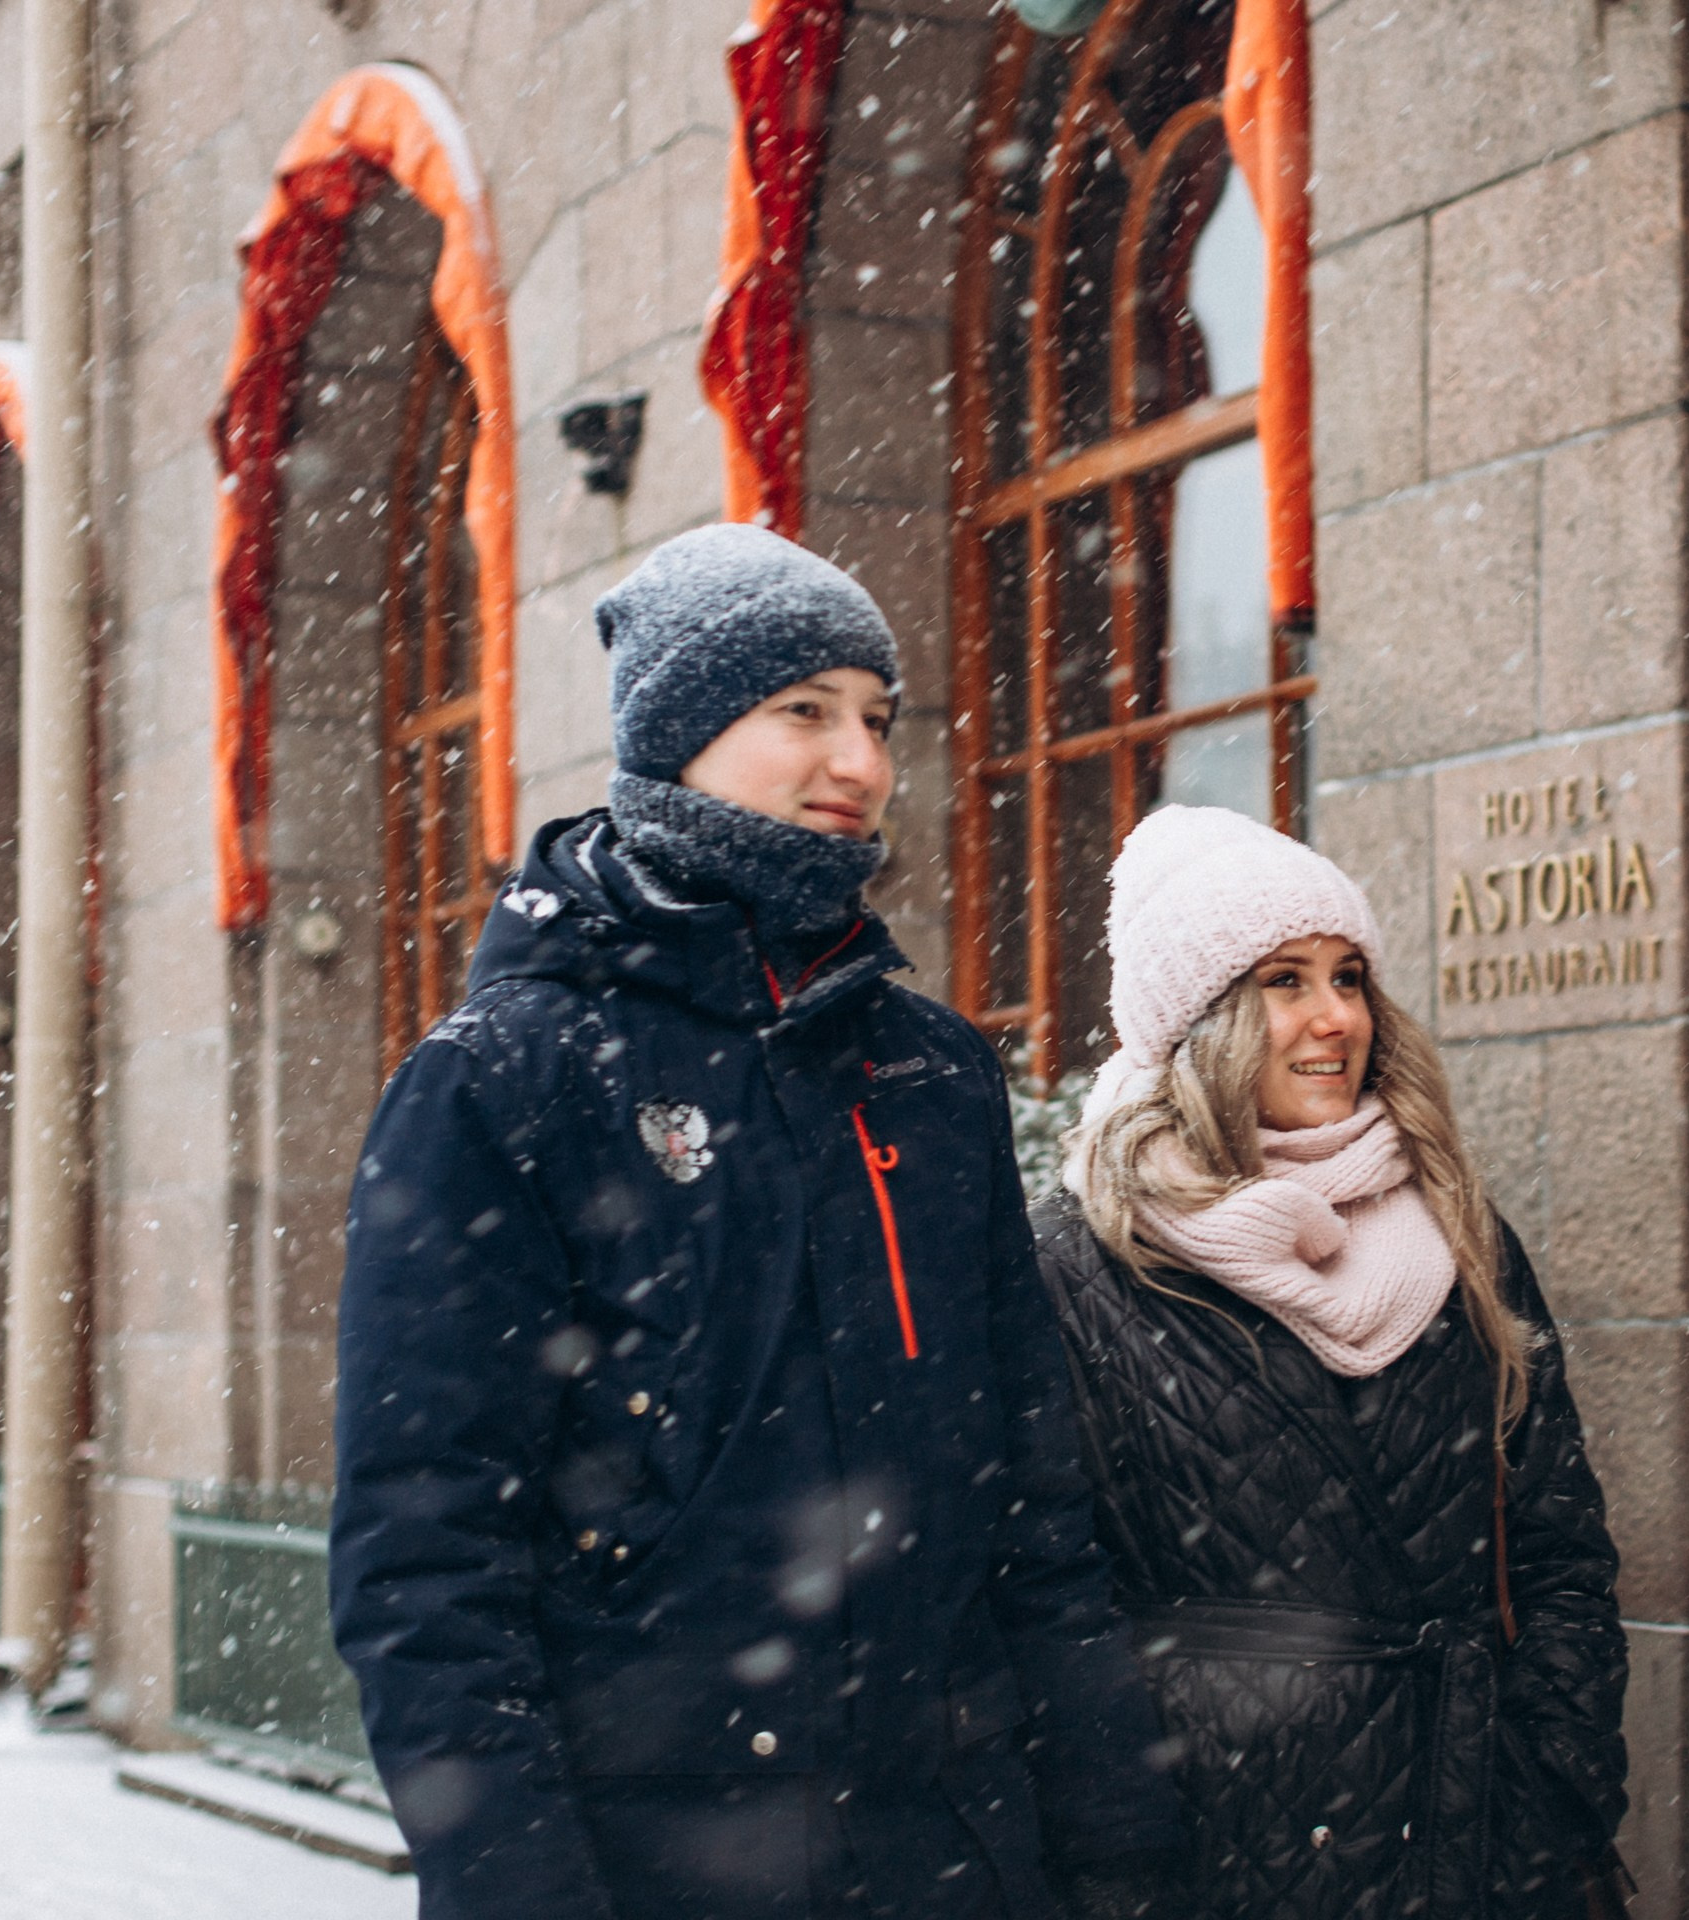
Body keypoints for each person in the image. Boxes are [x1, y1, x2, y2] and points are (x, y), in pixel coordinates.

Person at [330, 525, 1184, 1920]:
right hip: (664, 1865)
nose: (859, 761)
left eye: (878, 719)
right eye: (804, 711)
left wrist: (1112, 1837)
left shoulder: (932, 1070)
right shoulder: (505, 1080)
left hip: (955, 1855)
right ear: (677, 733)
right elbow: (427, 1568)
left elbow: (1036, 1509)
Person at [1033, 806, 1631, 1920]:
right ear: (1199, 1019)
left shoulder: (1462, 1233)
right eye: (1285, 981)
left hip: (1470, 1833)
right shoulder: (1080, 1259)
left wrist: (1558, 1777)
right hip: (1217, 1846)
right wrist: (1115, 1842)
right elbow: (1050, 1592)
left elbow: (1559, 1548)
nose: (1333, 1019)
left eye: (1349, 977)